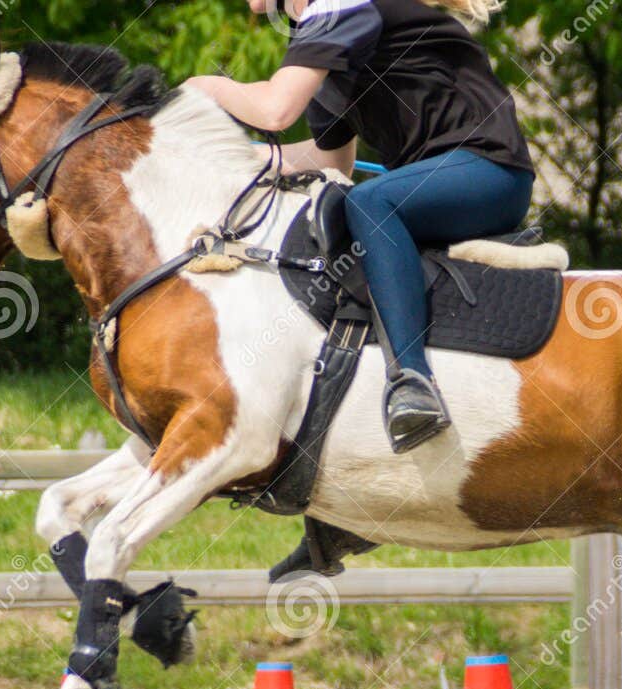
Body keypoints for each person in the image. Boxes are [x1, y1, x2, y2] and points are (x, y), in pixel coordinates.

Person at [189, 0, 534, 452]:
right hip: (448, 182)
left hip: (490, 173)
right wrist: (226, 157)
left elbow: (274, 112)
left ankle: (413, 382)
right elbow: (332, 160)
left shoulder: (339, 5)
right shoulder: (318, 39)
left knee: (372, 201)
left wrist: (203, 87)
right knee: (363, 203)